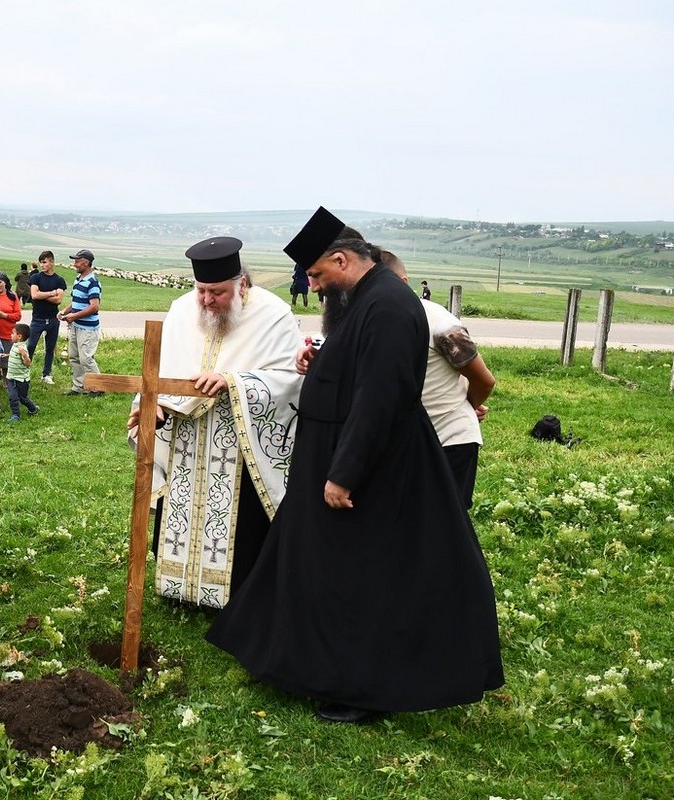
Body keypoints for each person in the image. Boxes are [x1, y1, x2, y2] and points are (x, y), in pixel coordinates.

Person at [207, 207, 503, 723]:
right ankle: (295, 660)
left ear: (341, 260)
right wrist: (324, 363)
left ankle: (363, 689)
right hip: (335, 456)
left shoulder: (388, 306)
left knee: (362, 578)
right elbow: (360, 370)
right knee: (313, 562)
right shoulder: (369, 300)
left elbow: (381, 398)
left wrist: (344, 474)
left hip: (369, 469)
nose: (316, 288)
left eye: (318, 276)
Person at [126, 237, 303, 608]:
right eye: (201, 290)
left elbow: (291, 380)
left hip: (240, 443)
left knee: (240, 525)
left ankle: (236, 595)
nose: (206, 300)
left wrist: (233, 381)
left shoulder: (274, 315)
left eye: (217, 292)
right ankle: (179, 590)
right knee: (180, 511)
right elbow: (159, 372)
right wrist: (150, 402)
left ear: (241, 285)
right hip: (186, 439)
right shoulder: (180, 310)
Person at [382, 251, 496, 508]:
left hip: (448, 441)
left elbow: (484, 381)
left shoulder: (440, 323)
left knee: (445, 527)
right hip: (405, 443)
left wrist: (465, 404)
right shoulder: (375, 321)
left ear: (403, 282)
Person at [59, 249, 103, 396]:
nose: (74, 264)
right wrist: (65, 311)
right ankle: (79, 386)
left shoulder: (93, 282)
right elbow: (75, 301)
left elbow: (94, 306)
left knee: (86, 358)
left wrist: (74, 316)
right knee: (74, 356)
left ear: (86, 262)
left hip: (88, 328)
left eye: (77, 261)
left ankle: (97, 388)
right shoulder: (78, 279)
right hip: (76, 325)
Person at [27, 250, 67, 384]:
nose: (42, 265)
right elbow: (34, 295)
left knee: (50, 348)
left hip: (53, 319)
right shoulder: (36, 277)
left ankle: (46, 374)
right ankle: (24, 372)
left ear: (52, 262)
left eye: (44, 262)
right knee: (31, 346)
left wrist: (43, 295)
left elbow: (58, 300)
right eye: (41, 263)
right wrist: (51, 293)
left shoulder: (59, 280)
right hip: (37, 318)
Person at [3, 322, 40, 422]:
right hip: (11, 377)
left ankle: (33, 409)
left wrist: (24, 355)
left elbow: (28, 364)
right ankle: (16, 415)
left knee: (23, 398)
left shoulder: (22, 348)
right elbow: (14, 355)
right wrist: (7, 355)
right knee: (13, 396)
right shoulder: (15, 345)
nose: (11, 335)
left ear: (19, 336)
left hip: (21, 379)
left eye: (12, 333)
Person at [0, 271, 22, 354]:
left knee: (5, 364)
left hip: (8, 336)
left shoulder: (13, 296)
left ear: (5, 282)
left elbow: (18, 316)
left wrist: (5, 316)